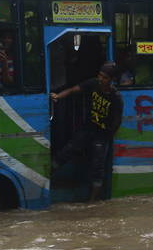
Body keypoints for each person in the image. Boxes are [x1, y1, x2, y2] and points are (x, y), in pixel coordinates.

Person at [50, 61, 124, 202]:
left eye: (105, 77)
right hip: (88, 128)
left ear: (112, 80)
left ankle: (92, 202)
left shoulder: (116, 98)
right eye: (100, 76)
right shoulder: (93, 83)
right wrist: (59, 96)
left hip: (102, 135)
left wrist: (107, 136)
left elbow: (117, 121)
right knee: (67, 151)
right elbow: (74, 89)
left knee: (98, 167)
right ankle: (46, 179)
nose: (101, 79)